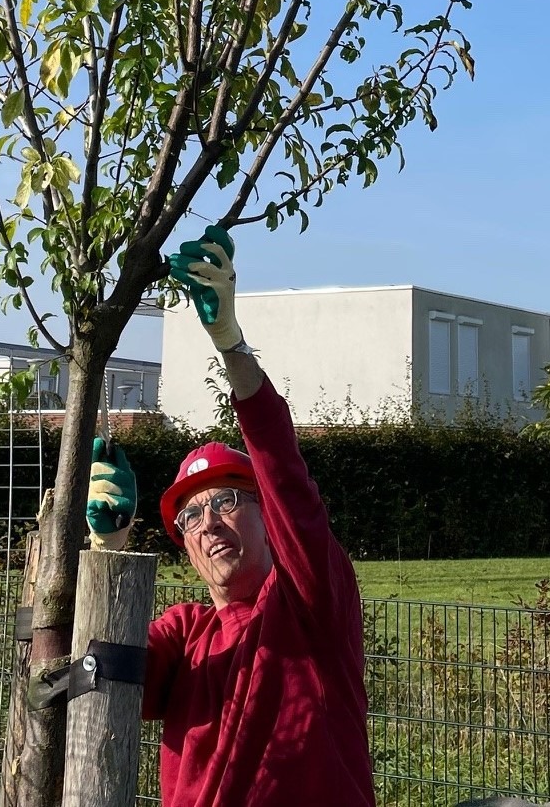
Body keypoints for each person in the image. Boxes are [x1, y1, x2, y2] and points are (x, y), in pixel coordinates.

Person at [85, 225, 374, 807]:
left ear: (267, 514)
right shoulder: (185, 632)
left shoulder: (309, 602)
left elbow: (289, 481)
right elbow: (110, 681)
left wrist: (231, 347)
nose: (209, 522)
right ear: (182, 543)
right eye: (190, 516)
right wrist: (106, 548)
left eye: (226, 501)